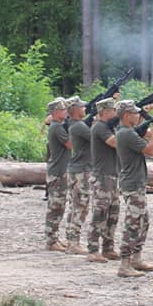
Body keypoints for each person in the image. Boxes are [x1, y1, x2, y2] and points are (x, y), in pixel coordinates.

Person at [114, 100, 153, 277]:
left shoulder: (128, 132)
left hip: (135, 183)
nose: (138, 115)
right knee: (132, 224)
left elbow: (147, 139)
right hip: (131, 184)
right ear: (126, 115)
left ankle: (136, 258)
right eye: (134, 113)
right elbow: (151, 150)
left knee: (143, 221)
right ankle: (124, 264)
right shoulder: (125, 133)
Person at [86, 96, 121, 262]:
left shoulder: (108, 127)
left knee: (113, 214)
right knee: (100, 213)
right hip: (102, 177)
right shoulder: (99, 127)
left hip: (112, 176)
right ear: (105, 111)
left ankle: (108, 247)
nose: (116, 113)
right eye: (114, 110)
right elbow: (114, 143)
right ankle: (93, 249)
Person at [63, 96, 91, 254]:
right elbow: (96, 139)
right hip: (81, 170)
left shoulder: (74, 125)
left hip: (76, 169)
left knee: (75, 206)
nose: (85, 109)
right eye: (82, 107)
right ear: (75, 110)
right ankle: (73, 242)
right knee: (81, 206)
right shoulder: (79, 126)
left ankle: (70, 240)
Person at [44, 97, 71, 251]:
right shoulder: (56, 127)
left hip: (60, 170)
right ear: (54, 112)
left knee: (59, 206)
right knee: (55, 206)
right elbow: (70, 144)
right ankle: (51, 240)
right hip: (57, 171)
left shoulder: (58, 125)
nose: (65, 112)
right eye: (62, 110)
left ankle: (54, 237)